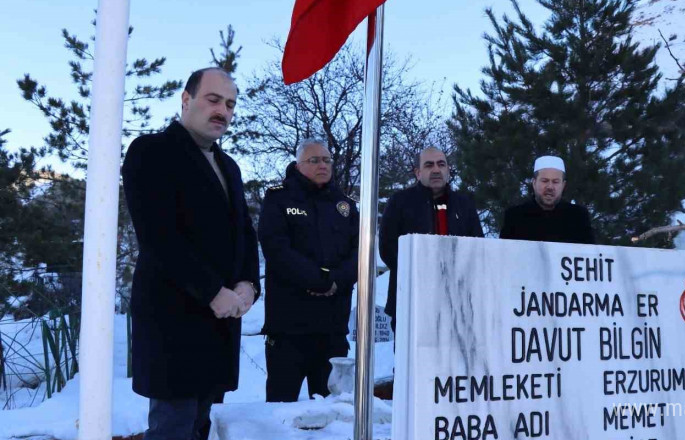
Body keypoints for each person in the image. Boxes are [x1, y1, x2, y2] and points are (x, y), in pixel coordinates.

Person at [122, 67, 260, 440]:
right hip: (174, 321)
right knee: (173, 429)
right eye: (213, 100)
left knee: (200, 426)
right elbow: (158, 236)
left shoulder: (228, 166)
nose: (223, 111)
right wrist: (213, 292)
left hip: (220, 324)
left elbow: (245, 232)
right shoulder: (151, 151)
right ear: (186, 100)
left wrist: (249, 284)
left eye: (230, 105)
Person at [258, 139, 359, 402]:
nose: (322, 165)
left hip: (332, 328)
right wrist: (320, 281)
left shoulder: (345, 205)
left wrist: (336, 281)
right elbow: (277, 249)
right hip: (289, 327)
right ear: (299, 164)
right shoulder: (278, 199)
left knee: (333, 410)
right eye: (314, 160)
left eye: (326, 160)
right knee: (280, 410)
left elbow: (359, 254)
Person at [379, 147, 484, 333]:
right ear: (418, 173)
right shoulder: (400, 202)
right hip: (411, 298)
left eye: (441, 164)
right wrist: (424, 273)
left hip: (457, 300)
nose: (436, 170)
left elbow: (478, 248)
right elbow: (388, 249)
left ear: (448, 170)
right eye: (429, 165)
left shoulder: (464, 204)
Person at [500, 155, 596, 244]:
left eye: (555, 182)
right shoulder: (514, 216)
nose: (550, 187)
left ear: (563, 185)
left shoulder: (578, 217)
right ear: (534, 183)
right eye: (545, 181)